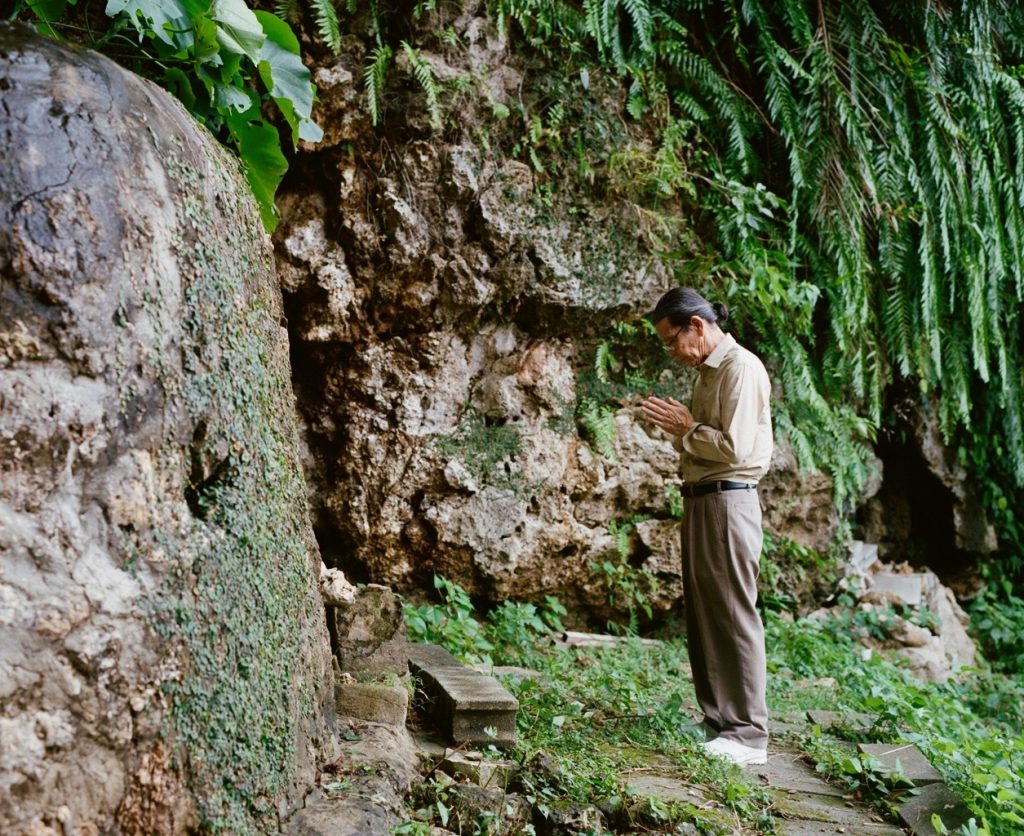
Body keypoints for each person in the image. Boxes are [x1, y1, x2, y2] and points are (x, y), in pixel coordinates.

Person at [640, 287, 773, 767]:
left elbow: (735, 449)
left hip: (728, 501)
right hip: (702, 499)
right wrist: (689, 431)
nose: (673, 352)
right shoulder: (708, 371)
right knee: (704, 611)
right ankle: (719, 720)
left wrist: (686, 429)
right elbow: (703, 440)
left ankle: (749, 734)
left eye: (672, 340)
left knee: (733, 612)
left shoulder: (740, 368)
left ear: (697, 325)